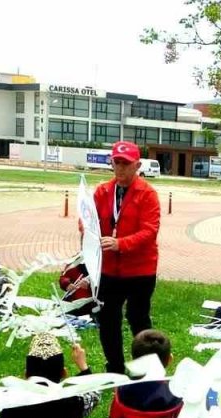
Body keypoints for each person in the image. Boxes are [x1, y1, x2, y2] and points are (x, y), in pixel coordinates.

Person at [92, 140, 162, 374]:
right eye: (116, 163)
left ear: (137, 165)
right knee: (108, 318)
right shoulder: (102, 191)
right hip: (109, 270)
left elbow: (149, 231)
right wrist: (90, 238)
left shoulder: (148, 194)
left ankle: (146, 367)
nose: (120, 168)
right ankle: (115, 367)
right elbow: (87, 222)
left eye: (126, 164)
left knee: (137, 317)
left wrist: (120, 243)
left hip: (140, 270)